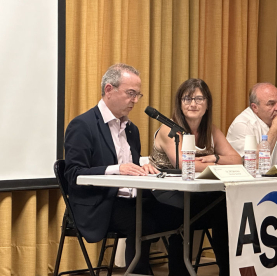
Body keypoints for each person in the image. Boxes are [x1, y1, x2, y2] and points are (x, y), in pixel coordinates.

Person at [64, 63, 160, 275]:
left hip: (131, 199)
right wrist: (116, 169)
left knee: (173, 213)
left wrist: (142, 168)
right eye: (130, 93)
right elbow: (73, 174)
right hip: (98, 202)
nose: (135, 101)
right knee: (143, 222)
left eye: (138, 95)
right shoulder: (83, 125)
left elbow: (130, 169)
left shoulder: (131, 130)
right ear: (109, 89)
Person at [149, 78, 241, 276]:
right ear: (179, 104)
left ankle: (228, 270)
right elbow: (184, 164)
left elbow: (237, 159)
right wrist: (214, 163)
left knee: (227, 204)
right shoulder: (170, 130)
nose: (193, 104)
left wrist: (215, 158)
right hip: (163, 196)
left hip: (195, 192)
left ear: (207, 104)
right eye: (187, 99)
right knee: (209, 208)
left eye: (199, 99)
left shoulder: (211, 130)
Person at [226, 82, 277, 166]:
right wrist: (275, 128)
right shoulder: (242, 125)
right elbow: (254, 163)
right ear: (255, 107)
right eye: (271, 104)